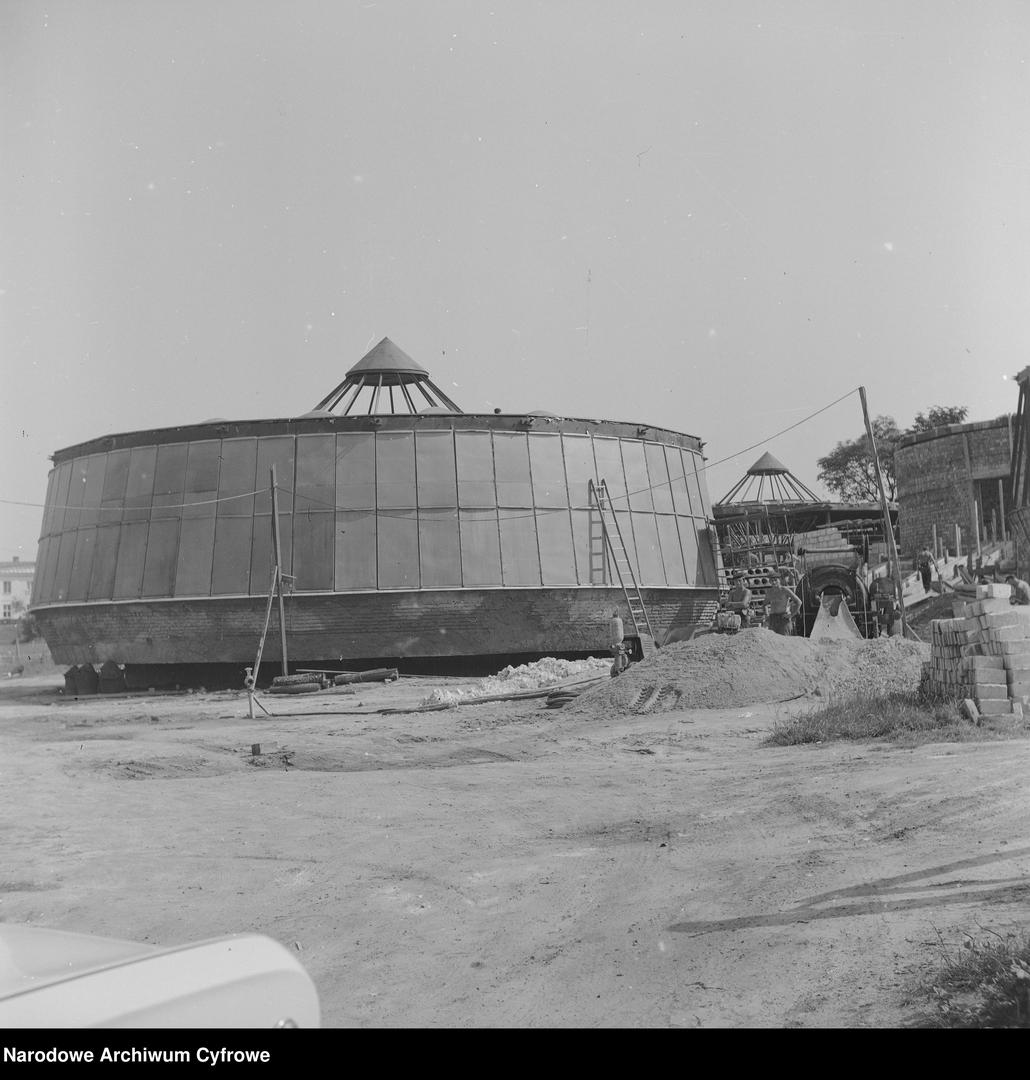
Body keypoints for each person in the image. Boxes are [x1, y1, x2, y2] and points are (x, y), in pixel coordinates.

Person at [608, 609, 630, 675]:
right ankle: (619, 667)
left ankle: (619, 667)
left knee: (619, 654)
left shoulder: (613, 621)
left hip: (616, 641)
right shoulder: (619, 620)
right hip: (619, 640)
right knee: (619, 654)